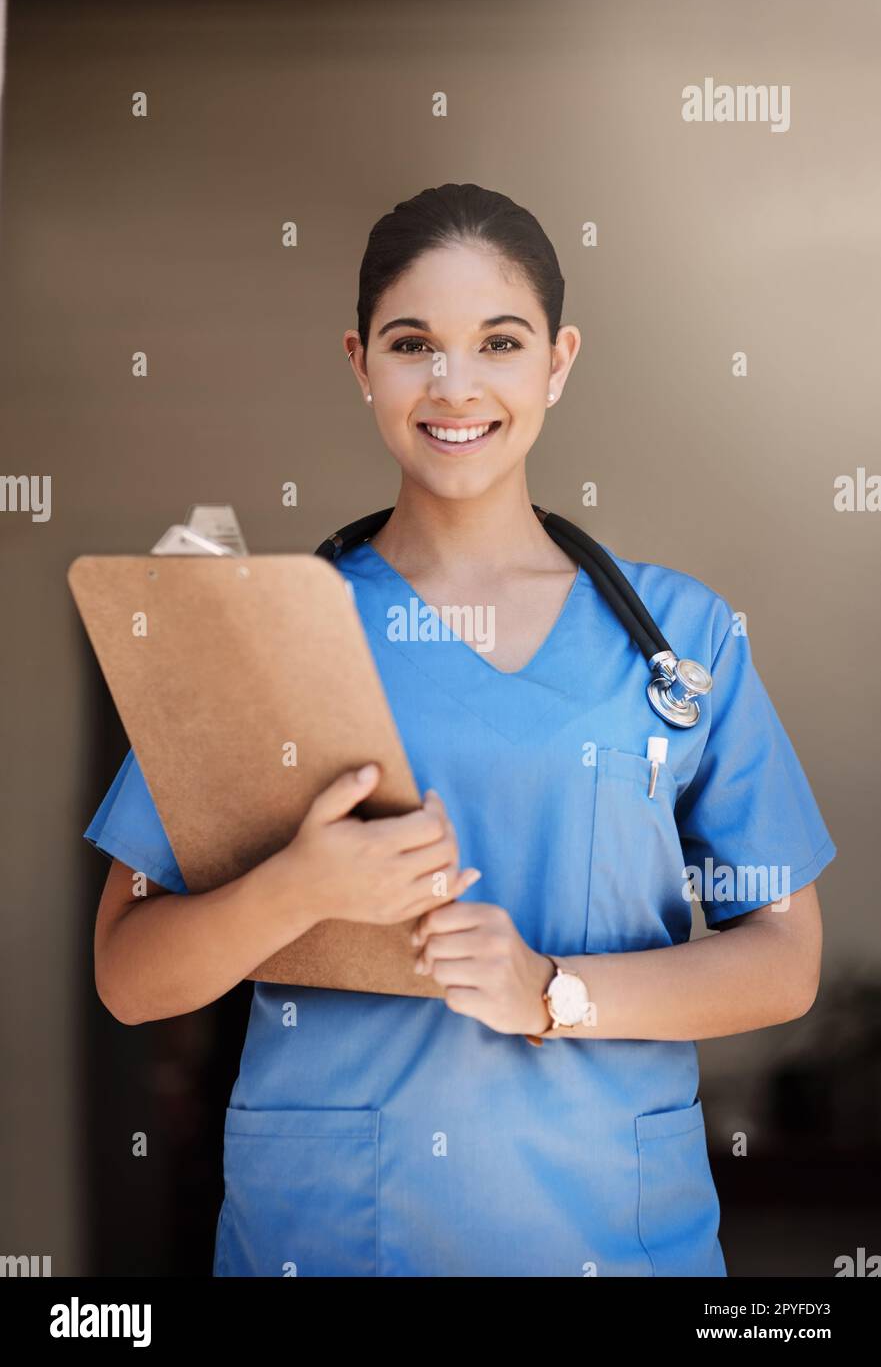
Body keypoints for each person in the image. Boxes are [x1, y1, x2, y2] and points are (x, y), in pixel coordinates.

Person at [85, 183, 836, 1277]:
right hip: (331, 1239)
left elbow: (784, 959)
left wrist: (552, 989)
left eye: (498, 341)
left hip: (614, 1242)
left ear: (558, 361)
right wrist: (298, 886)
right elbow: (126, 970)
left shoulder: (681, 639)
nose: (454, 384)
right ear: (359, 362)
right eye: (411, 344)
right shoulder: (265, 634)